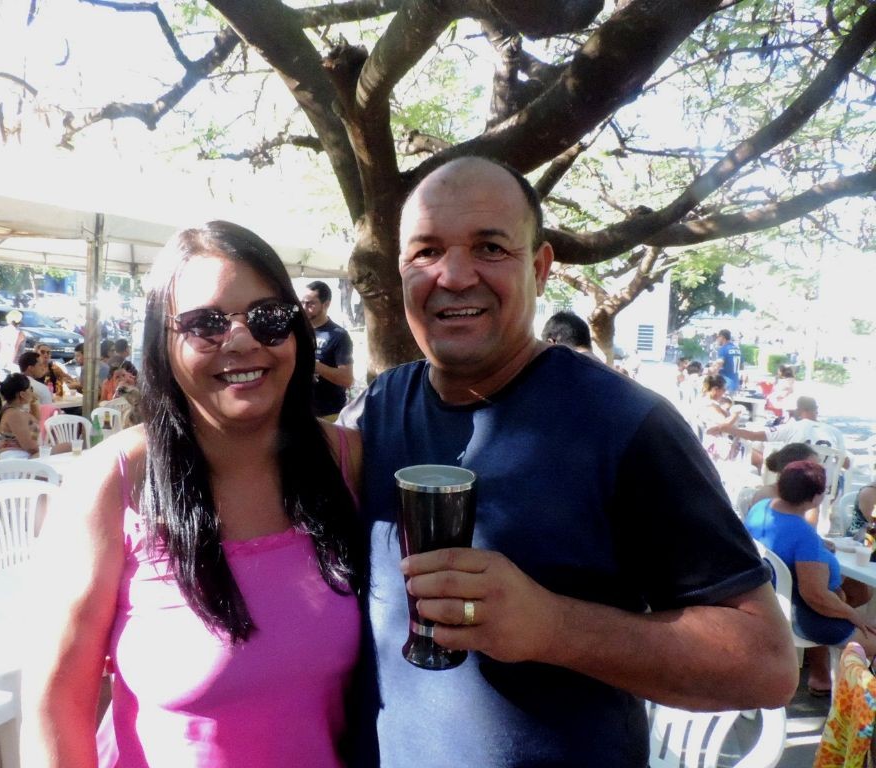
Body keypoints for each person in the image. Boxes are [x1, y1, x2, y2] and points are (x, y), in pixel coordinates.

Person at [339, 156, 796, 766]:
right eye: (426, 251)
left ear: (539, 267)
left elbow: (767, 664)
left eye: (490, 247)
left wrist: (551, 626)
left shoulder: (626, 423)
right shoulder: (378, 408)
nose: (453, 275)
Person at [23, 221, 366, 767]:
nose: (243, 341)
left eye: (269, 317)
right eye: (205, 324)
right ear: (162, 342)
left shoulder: (350, 462)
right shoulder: (112, 483)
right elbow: (56, 703)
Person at [745, 460, 876, 696]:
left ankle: (824, 673)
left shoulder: (761, 508)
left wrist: (820, 544)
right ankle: (858, 704)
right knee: (872, 638)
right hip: (801, 616)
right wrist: (852, 615)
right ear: (816, 498)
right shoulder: (804, 536)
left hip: (768, 600)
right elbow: (815, 596)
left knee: (857, 590)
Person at [719, 395, 849, 471]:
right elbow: (846, 464)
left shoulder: (792, 427)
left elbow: (754, 436)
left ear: (799, 410)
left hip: (794, 483)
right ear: (816, 410)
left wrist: (727, 428)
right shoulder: (835, 432)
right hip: (824, 488)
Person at [301, 280, 354, 418]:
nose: (304, 308)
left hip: (329, 414)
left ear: (326, 304)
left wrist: (313, 365)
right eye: (302, 303)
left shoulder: (339, 335)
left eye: (310, 304)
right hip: (301, 412)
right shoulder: (298, 332)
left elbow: (347, 379)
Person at [0, 373, 62, 459]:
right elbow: (30, 447)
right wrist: (45, 450)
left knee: (64, 447)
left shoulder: (13, 410)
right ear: (22, 394)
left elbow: (35, 421)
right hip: (18, 458)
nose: (32, 392)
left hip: (21, 455)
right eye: (30, 389)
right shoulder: (14, 415)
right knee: (66, 447)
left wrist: (33, 401)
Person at [0, 308, 26, 379]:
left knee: (2, 380)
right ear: (19, 320)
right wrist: (11, 362)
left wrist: (0, 355)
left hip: (2, 360)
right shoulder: (19, 333)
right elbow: (15, 347)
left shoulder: (3, 330)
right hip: (14, 363)